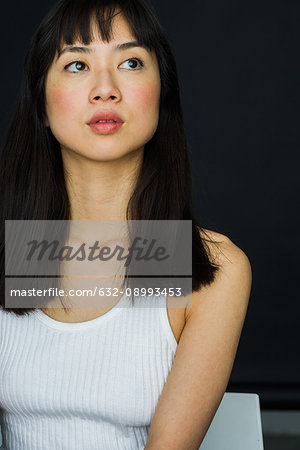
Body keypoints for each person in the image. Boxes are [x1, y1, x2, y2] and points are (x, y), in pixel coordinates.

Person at [0, 0, 252, 448]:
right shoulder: (13, 251)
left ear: (163, 94)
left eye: (131, 62)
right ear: (41, 102)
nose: (105, 89)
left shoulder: (214, 268)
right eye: (77, 64)